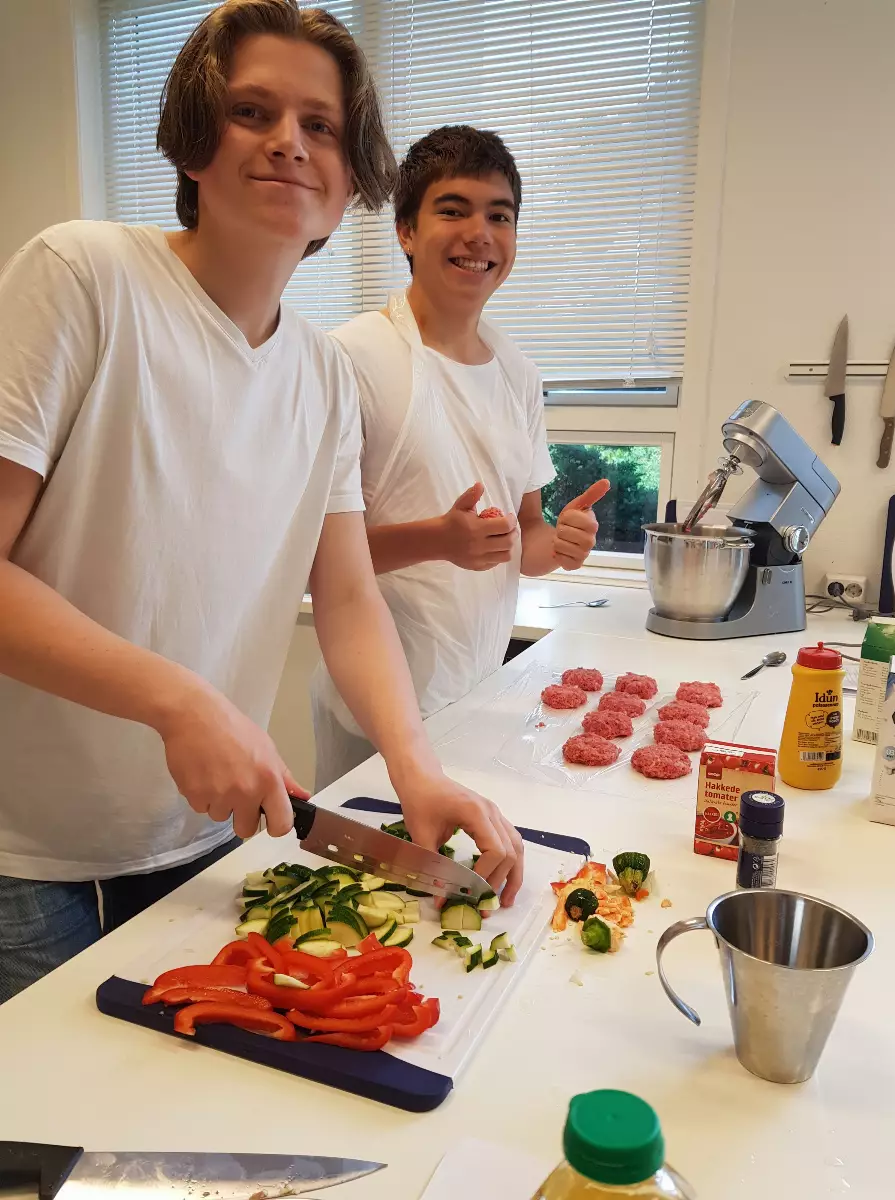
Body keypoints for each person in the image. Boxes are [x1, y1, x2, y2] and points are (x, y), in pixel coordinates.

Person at [0, 4, 523, 1006]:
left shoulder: (320, 374)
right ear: (194, 141)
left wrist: (415, 769)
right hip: (21, 848)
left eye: (321, 125)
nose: (290, 142)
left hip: (203, 836)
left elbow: (348, 594)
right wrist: (180, 700)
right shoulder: (84, 277)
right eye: (252, 111)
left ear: (353, 179)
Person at [312, 126, 607, 788]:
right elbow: (310, 561)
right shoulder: (350, 357)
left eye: (499, 216)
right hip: (371, 713)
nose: (479, 234)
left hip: (477, 697)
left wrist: (562, 544)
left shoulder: (518, 373)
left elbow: (524, 539)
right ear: (406, 231)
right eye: (453, 210)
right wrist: (437, 540)